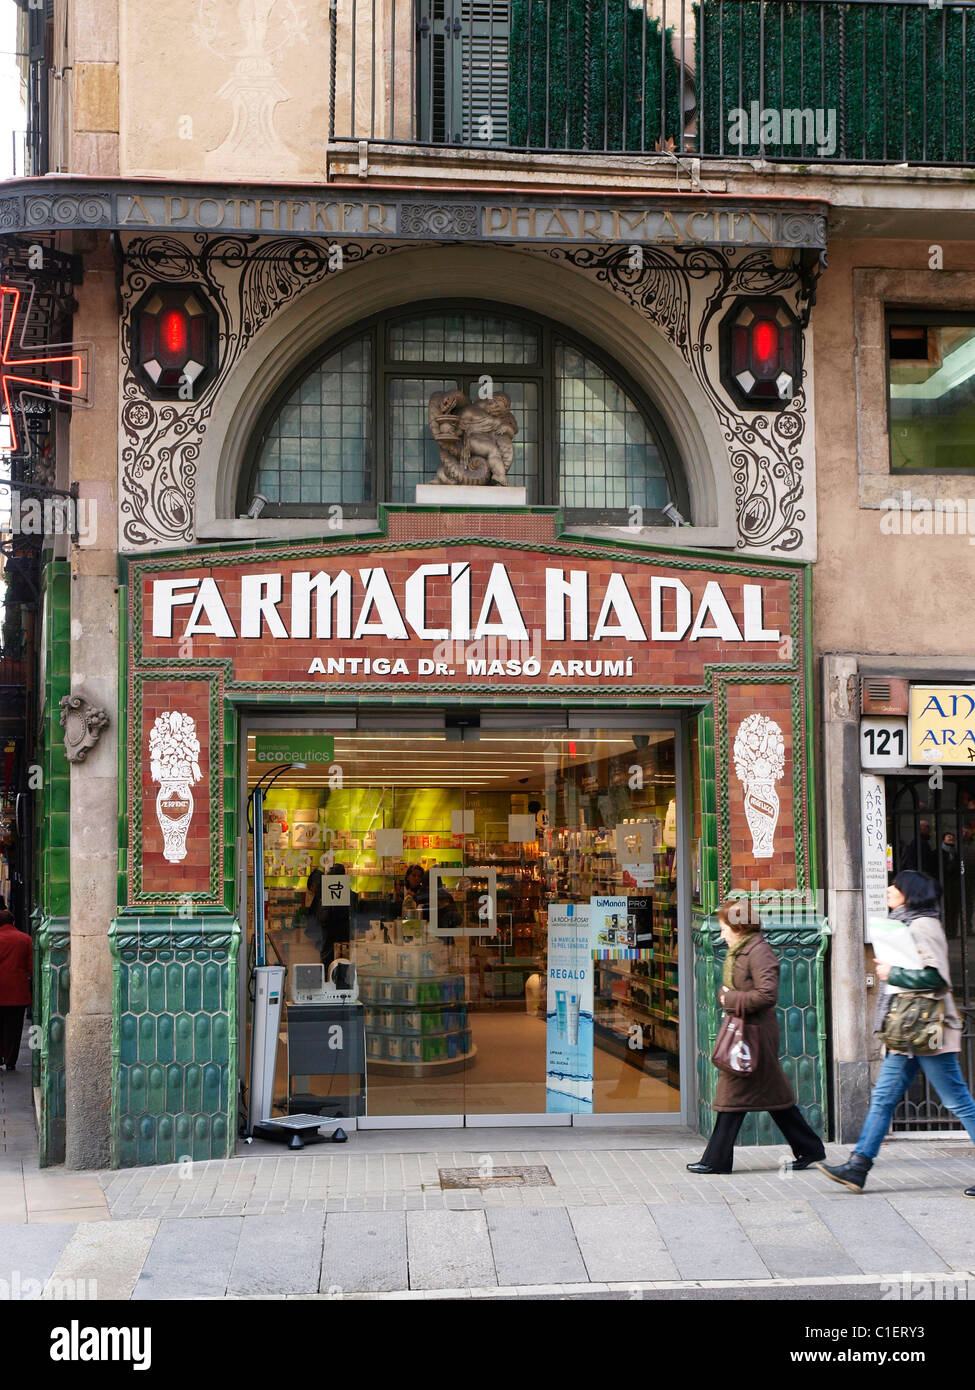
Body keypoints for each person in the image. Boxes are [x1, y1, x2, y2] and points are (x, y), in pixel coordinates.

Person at [820, 869, 975, 1196]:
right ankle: (857, 1167)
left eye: (896, 885)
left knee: (957, 1101)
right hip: (908, 1034)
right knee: (883, 1099)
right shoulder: (908, 923)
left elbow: (937, 979)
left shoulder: (923, 926)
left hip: (929, 1034)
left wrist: (894, 972)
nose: (889, 889)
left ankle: (858, 1166)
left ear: (911, 892)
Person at [687, 899, 826, 1174]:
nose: (722, 934)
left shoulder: (759, 952)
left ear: (739, 927)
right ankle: (809, 1148)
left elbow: (767, 994)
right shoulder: (742, 950)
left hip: (754, 1037)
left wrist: (730, 999)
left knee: (732, 1096)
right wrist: (728, 997)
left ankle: (716, 1160)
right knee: (776, 1099)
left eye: (725, 928)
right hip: (747, 1033)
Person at [305, 862, 357, 972]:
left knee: (329, 966)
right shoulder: (346, 892)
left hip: (329, 937)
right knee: (342, 966)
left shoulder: (326, 893)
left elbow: (323, 917)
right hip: (343, 935)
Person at [0, 909, 31, 1070]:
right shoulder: (24, 939)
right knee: (14, 1028)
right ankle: (10, 1060)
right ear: (13, 922)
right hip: (17, 992)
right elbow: (31, 967)